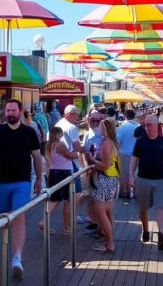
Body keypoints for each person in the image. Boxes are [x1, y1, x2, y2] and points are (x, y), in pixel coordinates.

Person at [0, 99, 42, 279]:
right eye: (8, 110)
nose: (10, 113)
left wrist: (40, 178)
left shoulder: (29, 132)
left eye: (13, 110)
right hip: (1, 181)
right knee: (5, 218)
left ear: (20, 111)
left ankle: (17, 257)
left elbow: (37, 157)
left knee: (18, 215)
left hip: (22, 181)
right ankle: (9, 249)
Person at [129, 115, 163, 251]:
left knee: (161, 208)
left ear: (156, 125)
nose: (147, 127)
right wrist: (131, 175)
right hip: (143, 179)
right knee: (143, 209)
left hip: (161, 180)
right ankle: (146, 231)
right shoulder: (140, 141)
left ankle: (161, 234)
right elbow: (134, 159)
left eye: (149, 125)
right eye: (145, 125)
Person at [89, 119, 120, 254]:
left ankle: (110, 242)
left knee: (101, 212)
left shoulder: (106, 143)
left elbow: (105, 165)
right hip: (113, 179)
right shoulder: (114, 143)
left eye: (101, 126)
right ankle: (109, 240)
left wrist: (92, 160)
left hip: (105, 179)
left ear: (105, 128)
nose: (99, 128)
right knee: (108, 211)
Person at [54, 105, 89, 226]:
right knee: (74, 195)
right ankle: (68, 224)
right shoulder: (72, 127)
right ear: (69, 114)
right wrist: (86, 148)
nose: (78, 116)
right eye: (76, 114)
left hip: (57, 163)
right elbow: (76, 147)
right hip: (69, 163)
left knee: (59, 196)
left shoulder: (58, 124)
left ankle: (67, 221)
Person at [42, 127, 77, 234]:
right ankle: (66, 227)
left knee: (54, 199)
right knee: (67, 200)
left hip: (54, 172)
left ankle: (45, 222)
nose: (62, 137)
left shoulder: (48, 145)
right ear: (57, 135)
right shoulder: (60, 144)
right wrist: (76, 153)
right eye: (61, 134)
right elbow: (70, 155)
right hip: (63, 173)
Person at [116, 109, 140, 198]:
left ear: (125, 116)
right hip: (136, 154)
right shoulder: (138, 126)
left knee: (124, 174)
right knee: (135, 173)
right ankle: (136, 192)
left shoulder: (123, 126)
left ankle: (125, 192)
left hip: (124, 153)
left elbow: (118, 141)